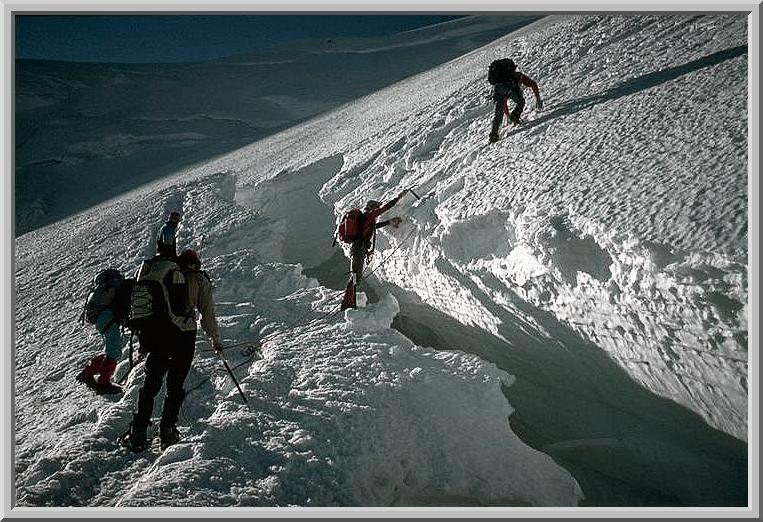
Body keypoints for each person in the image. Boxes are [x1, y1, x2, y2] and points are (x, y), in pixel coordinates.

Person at [120, 249, 224, 452]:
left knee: (150, 385)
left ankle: (138, 433)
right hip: (184, 336)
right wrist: (215, 340)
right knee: (175, 385)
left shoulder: (164, 275)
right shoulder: (199, 280)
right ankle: (167, 432)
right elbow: (207, 312)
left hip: (159, 335)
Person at [76, 277, 124, 394]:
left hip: (102, 318)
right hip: (108, 318)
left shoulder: (105, 287)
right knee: (113, 351)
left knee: (111, 349)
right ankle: (103, 383)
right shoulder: (119, 287)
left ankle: (88, 372)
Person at [349, 191, 407, 283]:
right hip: (359, 248)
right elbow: (385, 208)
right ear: (372, 207)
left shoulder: (366, 218)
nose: (378, 209)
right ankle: (350, 294)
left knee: (356, 276)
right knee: (356, 277)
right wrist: (398, 198)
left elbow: (373, 227)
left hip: (359, 248)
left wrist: (388, 222)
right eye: (376, 207)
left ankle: (351, 292)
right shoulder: (369, 215)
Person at [489, 58, 543, 143]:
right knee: (521, 101)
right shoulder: (518, 76)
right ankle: (515, 115)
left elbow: (504, 101)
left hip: (497, 88)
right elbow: (533, 84)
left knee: (498, 114)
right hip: (508, 88)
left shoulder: (500, 79)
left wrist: (506, 114)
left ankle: (494, 134)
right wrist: (538, 99)